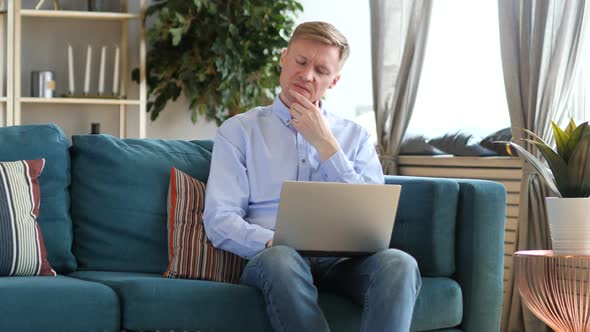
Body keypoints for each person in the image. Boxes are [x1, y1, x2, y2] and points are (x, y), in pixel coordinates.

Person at [203, 21, 421, 332]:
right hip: (272, 259)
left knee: (400, 264)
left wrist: (327, 146)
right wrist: (272, 242)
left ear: (333, 81)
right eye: (301, 62)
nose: (307, 76)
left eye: (321, 70)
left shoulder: (355, 137)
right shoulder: (240, 131)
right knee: (282, 259)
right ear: (283, 58)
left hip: (343, 262)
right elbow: (219, 219)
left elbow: (373, 221)